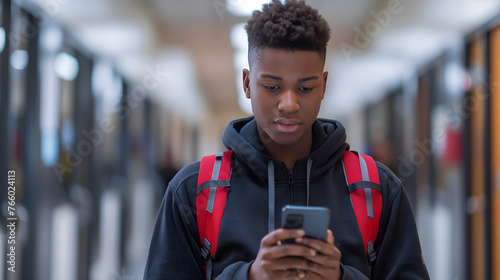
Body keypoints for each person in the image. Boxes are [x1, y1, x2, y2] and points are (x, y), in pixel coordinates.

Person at [143, 0, 430, 279]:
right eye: (272, 86)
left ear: (324, 86)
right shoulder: (194, 191)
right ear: (246, 84)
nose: (289, 103)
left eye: (305, 87)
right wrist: (249, 276)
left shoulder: (376, 188)